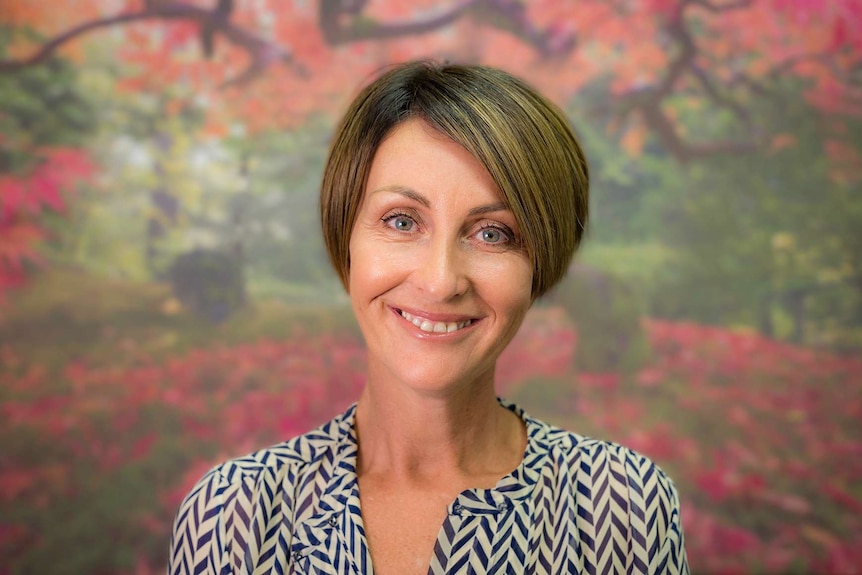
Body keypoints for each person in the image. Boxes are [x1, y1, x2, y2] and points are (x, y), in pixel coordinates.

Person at [168, 60, 689, 575]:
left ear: (540, 263)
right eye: (401, 221)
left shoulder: (622, 506)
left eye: (493, 233)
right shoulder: (234, 512)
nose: (441, 281)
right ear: (346, 236)